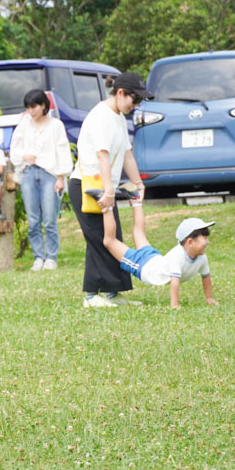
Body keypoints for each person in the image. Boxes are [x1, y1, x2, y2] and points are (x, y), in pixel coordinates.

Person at [68, 72, 150, 308]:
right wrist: (109, 192)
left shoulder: (118, 117)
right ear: (121, 92)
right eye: (134, 100)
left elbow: (127, 154)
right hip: (88, 186)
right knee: (98, 238)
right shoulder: (101, 116)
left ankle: (113, 293)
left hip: (105, 187)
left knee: (113, 238)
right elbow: (102, 156)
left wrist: (139, 184)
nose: (135, 106)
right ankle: (91, 296)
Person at [89, 186, 218, 309]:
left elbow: (206, 276)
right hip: (143, 267)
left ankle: (135, 199)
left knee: (139, 233)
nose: (207, 242)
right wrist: (174, 305)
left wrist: (209, 298)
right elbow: (174, 282)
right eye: (204, 238)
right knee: (109, 241)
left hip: (154, 259)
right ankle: (105, 203)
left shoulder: (201, 257)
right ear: (190, 241)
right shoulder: (178, 257)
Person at [9, 89, 72, 271]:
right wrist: (24, 156)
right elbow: (14, 150)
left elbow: (62, 151)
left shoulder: (56, 125)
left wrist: (61, 176)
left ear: (44, 105)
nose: (31, 111)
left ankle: (51, 257)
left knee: (50, 218)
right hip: (28, 173)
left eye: (34, 106)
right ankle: (38, 257)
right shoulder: (23, 125)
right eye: (28, 108)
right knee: (33, 219)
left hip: (49, 174)